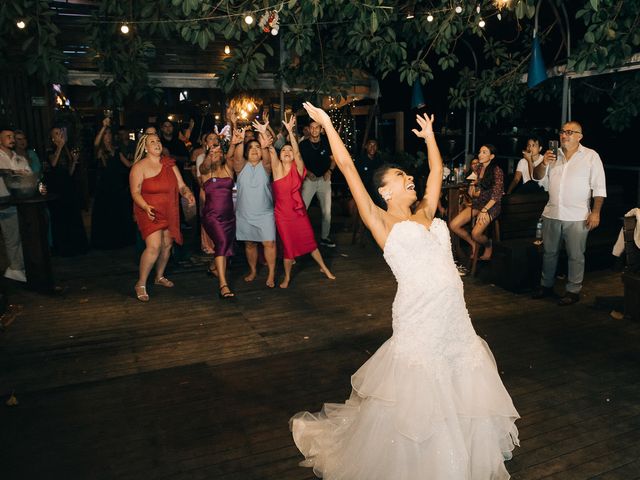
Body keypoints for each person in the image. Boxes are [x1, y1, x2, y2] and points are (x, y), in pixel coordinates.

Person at [290, 103, 519, 480]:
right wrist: (329, 124)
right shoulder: (380, 219)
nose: (410, 178)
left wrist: (430, 138)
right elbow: (346, 167)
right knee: (419, 386)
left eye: (408, 174)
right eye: (401, 175)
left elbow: (436, 172)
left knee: (458, 375)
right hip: (418, 316)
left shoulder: (426, 213)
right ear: (384, 190)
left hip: (453, 318)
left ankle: (459, 451)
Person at [531, 121, 606, 306]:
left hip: (577, 216)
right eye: (562, 132)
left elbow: (599, 187)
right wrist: (543, 163)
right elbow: (537, 177)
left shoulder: (590, 156)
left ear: (580, 136)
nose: (564, 135)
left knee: (576, 255)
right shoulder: (552, 155)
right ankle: (546, 285)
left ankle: (573, 290)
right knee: (549, 253)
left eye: (570, 132)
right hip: (552, 212)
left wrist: (595, 212)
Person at [269, 114, 335, 289]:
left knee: (310, 243)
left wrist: (291, 131)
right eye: (284, 150)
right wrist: (265, 132)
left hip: (298, 213)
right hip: (282, 215)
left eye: (289, 151)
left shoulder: (297, 169)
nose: (287, 152)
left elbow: (297, 152)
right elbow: (269, 149)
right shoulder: (276, 170)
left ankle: (325, 268)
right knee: (288, 247)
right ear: (280, 155)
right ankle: (287, 277)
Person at [129, 133, 195, 302]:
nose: (157, 143)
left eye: (158, 140)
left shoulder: (169, 164)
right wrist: (145, 206)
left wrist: (187, 193)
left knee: (167, 244)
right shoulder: (139, 167)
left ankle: (159, 276)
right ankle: (141, 283)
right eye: (152, 142)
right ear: (145, 147)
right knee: (154, 246)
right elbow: (135, 192)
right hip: (149, 211)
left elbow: (181, 185)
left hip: (169, 210)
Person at [232, 121, 277, 288]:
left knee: (269, 243)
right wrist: (239, 141)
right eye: (251, 148)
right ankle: (252, 270)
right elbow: (237, 157)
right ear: (246, 151)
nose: (255, 150)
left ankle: (271, 274)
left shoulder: (266, 167)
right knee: (249, 243)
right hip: (244, 213)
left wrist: (264, 141)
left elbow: (266, 157)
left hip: (265, 213)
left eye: (257, 148)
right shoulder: (240, 167)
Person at [449, 144, 504, 261]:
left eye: (484, 152)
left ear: (492, 156)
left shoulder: (497, 171)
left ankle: (488, 244)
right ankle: (473, 244)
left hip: (492, 205)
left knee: (476, 233)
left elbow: (497, 195)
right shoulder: (478, 168)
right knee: (454, 225)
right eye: (480, 152)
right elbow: (475, 188)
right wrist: (472, 188)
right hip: (478, 203)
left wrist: (484, 210)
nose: (480, 154)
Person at [91, 117, 135, 249]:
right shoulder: (99, 151)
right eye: (105, 134)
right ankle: (107, 241)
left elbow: (129, 164)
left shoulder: (117, 150)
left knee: (118, 213)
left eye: (109, 133)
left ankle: (119, 240)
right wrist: (104, 126)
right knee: (106, 214)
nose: (107, 136)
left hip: (117, 186)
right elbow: (96, 144)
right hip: (104, 187)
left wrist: (142, 159)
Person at [199, 144, 236, 299]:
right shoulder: (206, 171)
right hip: (212, 216)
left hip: (229, 216)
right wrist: (209, 155)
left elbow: (232, 155)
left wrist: (233, 142)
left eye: (220, 152)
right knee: (221, 243)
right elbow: (204, 167)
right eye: (214, 152)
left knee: (226, 246)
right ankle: (223, 285)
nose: (217, 154)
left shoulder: (228, 168)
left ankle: (214, 267)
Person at [46, 127, 89, 256]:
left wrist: (74, 161)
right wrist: (60, 147)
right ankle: (63, 247)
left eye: (61, 133)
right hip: (57, 188)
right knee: (60, 217)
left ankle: (76, 246)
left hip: (68, 186)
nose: (60, 136)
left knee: (72, 215)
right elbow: (53, 163)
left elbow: (69, 172)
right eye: (57, 134)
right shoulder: (50, 150)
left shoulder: (66, 149)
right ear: (53, 138)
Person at [0, 126, 30, 282]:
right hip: (3, 203)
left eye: (12, 136)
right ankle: (15, 268)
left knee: (21, 235)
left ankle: (18, 267)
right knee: (11, 236)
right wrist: (14, 173)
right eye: (7, 136)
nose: (11, 139)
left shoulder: (20, 158)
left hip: (22, 202)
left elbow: (29, 176)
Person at [299, 120, 336, 247]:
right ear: (309, 129)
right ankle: (300, 237)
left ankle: (325, 237)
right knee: (302, 209)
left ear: (320, 129)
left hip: (324, 180)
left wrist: (330, 171)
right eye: (312, 128)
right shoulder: (303, 144)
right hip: (309, 180)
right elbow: (299, 162)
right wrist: (307, 172)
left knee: (327, 211)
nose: (314, 130)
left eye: (317, 128)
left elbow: (333, 159)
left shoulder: (326, 142)